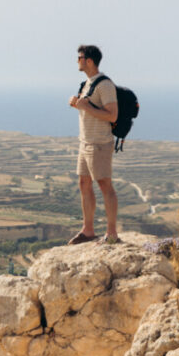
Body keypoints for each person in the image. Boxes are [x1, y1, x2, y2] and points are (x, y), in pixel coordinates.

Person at [67, 44, 119, 245]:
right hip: (86, 143)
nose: (77, 60)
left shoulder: (105, 85)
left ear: (88, 60)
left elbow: (112, 114)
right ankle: (88, 230)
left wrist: (86, 106)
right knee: (84, 184)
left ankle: (112, 233)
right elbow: (88, 108)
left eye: (79, 57)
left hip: (99, 144)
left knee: (105, 186)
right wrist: (78, 103)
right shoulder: (87, 84)